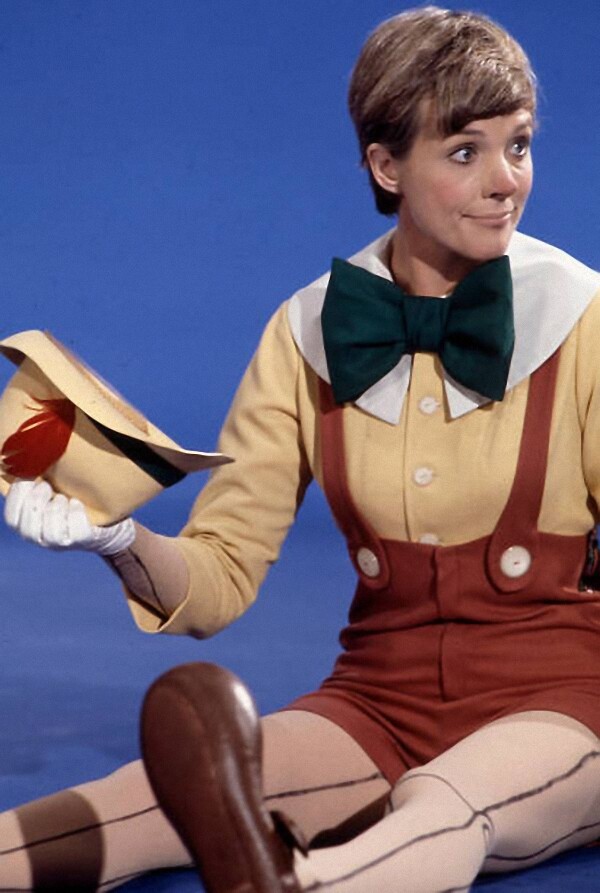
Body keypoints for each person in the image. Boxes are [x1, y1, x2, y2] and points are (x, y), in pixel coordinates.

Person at [2, 6, 600, 892]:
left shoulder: (582, 316)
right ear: (386, 166)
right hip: (378, 699)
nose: (505, 179)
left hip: (562, 701)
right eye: (464, 152)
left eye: (518, 145)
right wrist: (117, 539)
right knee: (145, 800)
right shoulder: (308, 331)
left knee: (448, 802)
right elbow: (220, 575)